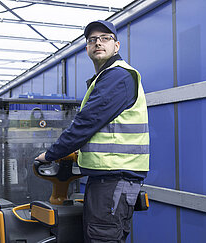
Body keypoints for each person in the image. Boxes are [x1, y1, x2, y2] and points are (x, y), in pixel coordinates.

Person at [35, 20, 149, 243]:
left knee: (102, 238)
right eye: (92, 40)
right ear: (87, 48)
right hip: (110, 179)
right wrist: (78, 154)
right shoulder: (106, 77)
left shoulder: (118, 76)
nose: (98, 42)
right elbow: (104, 128)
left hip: (113, 179)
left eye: (105, 38)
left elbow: (87, 122)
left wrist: (51, 154)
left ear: (116, 46)